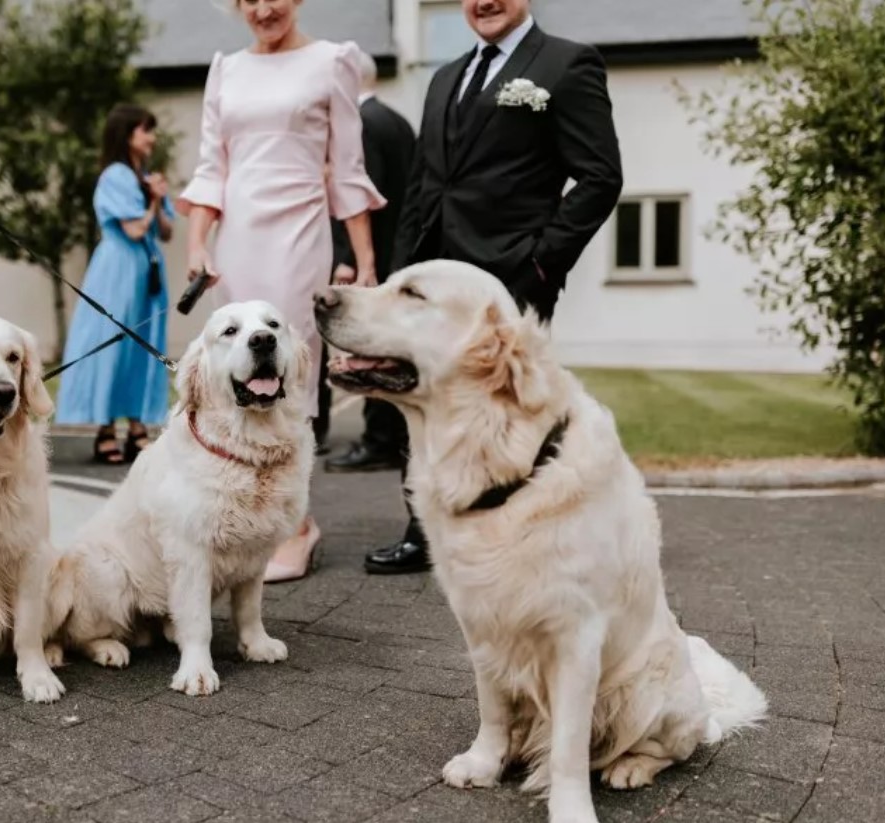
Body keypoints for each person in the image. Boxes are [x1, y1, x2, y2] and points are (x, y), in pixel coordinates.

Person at [364, 0, 623, 575]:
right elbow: (426, 185)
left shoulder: (566, 64)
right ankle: (424, 529)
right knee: (426, 396)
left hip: (511, 276)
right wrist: (401, 275)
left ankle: (518, 530)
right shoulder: (444, 78)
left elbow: (601, 177)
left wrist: (541, 262)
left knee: (508, 404)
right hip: (433, 279)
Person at [177, 0, 386, 584]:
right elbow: (210, 167)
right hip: (237, 234)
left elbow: (347, 167)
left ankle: (296, 523)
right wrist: (199, 244)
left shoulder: (333, 61)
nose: (264, 8)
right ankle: (247, 511)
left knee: (294, 368)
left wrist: (365, 265)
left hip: (299, 232)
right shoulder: (226, 68)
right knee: (234, 371)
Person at [56, 104, 172, 462]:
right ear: (127, 134)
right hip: (118, 269)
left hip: (146, 268)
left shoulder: (145, 174)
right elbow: (135, 229)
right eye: (145, 130)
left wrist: (158, 196)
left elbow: (164, 231)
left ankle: (137, 425)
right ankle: (106, 428)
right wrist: (153, 199)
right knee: (114, 342)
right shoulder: (116, 176)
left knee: (143, 344)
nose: (152, 138)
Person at [324, 50, 417, 475]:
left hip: (373, 260)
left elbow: (358, 198)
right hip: (402, 252)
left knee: (368, 347)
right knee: (391, 348)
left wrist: (348, 259)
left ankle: (378, 440)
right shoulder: (396, 122)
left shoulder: (360, 125)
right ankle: (394, 436)